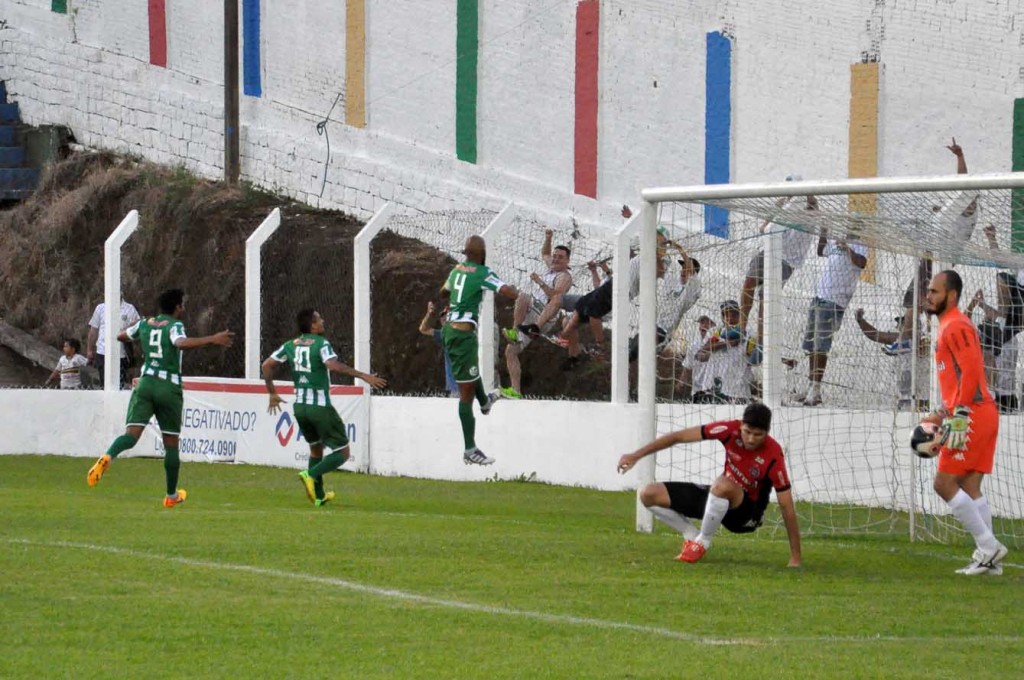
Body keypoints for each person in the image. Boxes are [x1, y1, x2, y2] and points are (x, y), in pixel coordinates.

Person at [86, 289, 234, 507]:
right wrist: (213, 339)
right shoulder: (175, 326)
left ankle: (107, 457)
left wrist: (142, 337)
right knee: (171, 444)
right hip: (168, 386)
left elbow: (121, 336)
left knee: (131, 436)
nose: (183, 308)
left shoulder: (146, 322)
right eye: (182, 305)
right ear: (176, 307)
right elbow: (180, 343)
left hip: (145, 384)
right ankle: (171, 496)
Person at [616, 402, 801, 567]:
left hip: (746, 515)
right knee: (648, 494)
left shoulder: (774, 454)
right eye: (747, 432)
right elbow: (678, 437)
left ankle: (703, 542)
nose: (751, 439)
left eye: (758, 435)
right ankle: (691, 534)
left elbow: (786, 506)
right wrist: (636, 455)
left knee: (722, 485)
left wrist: (795, 557)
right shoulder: (729, 430)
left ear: (767, 433)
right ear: (741, 425)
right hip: (720, 496)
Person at [920, 270, 1008, 575]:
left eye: (934, 291)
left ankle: (988, 546)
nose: (928, 296)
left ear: (952, 295)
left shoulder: (956, 324)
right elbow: (959, 378)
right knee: (970, 486)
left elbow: (971, 370)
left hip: (972, 414)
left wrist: (960, 415)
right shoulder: (949, 325)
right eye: (928, 291)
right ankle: (991, 562)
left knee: (943, 483)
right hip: (976, 412)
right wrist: (944, 411)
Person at [263, 309, 387, 506]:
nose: (323, 320)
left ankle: (319, 496)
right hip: (320, 407)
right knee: (343, 452)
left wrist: (272, 392)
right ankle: (310, 474)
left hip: (300, 408)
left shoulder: (289, 345)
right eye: (319, 318)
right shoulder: (321, 344)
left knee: (316, 448)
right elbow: (333, 365)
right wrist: (364, 376)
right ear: (312, 326)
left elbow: (267, 365)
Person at [887, 138, 978, 355]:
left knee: (916, 296)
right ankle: (915, 335)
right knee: (918, 298)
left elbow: (964, 188)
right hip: (938, 256)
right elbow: (962, 186)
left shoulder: (969, 211)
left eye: (969, 199)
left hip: (939, 256)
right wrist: (960, 156)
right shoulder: (961, 210)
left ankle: (908, 339)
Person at [440, 235, 520, 465]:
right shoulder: (484, 273)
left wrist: (457, 293)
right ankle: (470, 449)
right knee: (465, 396)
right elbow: (506, 291)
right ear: (481, 254)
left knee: (472, 374)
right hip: (462, 335)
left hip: (452, 332)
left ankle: (485, 402)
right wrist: (520, 295)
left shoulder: (456, 271)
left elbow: (442, 292)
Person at [797, 226, 868, 406]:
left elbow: (862, 263)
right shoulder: (836, 243)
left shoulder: (860, 245)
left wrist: (848, 248)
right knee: (812, 345)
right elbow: (821, 251)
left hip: (834, 301)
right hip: (819, 297)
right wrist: (823, 232)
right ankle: (810, 384)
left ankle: (816, 388)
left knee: (821, 345)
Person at [739, 185, 818, 343]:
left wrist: (802, 191)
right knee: (749, 282)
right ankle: (740, 328)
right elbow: (763, 228)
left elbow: (813, 203)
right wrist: (777, 208)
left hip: (787, 261)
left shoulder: (810, 213)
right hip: (769, 251)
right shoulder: (784, 210)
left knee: (766, 298)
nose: (789, 196)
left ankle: (761, 341)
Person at [501, 229, 573, 398]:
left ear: (567, 261)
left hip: (544, 316)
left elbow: (555, 297)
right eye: (555, 256)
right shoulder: (551, 267)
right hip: (531, 311)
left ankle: (518, 331)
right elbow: (545, 253)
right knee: (510, 352)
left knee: (524, 296)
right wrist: (548, 237)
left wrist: (539, 281)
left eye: (560, 257)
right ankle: (516, 391)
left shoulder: (564, 277)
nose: (555, 259)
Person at [853, 309, 930, 411]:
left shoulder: (923, 341)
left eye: (902, 323)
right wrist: (860, 321)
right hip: (906, 396)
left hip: (923, 397)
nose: (898, 326)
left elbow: (876, 335)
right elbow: (875, 335)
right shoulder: (897, 339)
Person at [694, 300, 752, 403]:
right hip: (713, 387)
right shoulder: (716, 332)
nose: (730, 318)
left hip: (738, 390)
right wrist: (726, 343)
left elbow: (757, 355)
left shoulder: (748, 334)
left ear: (740, 315)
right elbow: (701, 353)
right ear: (722, 317)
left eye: (734, 314)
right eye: (726, 314)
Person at [86, 297, 141, 389]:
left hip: (121, 354)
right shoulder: (100, 308)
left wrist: (130, 327)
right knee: (105, 384)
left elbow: (137, 327)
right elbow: (93, 330)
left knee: (118, 384)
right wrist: (89, 349)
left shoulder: (129, 308)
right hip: (102, 352)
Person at [418, 301, 459, 396]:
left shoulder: (463, 333)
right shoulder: (443, 335)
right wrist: (429, 314)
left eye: (448, 315)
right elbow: (423, 329)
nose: (444, 318)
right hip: (454, 388)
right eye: (442, 316)